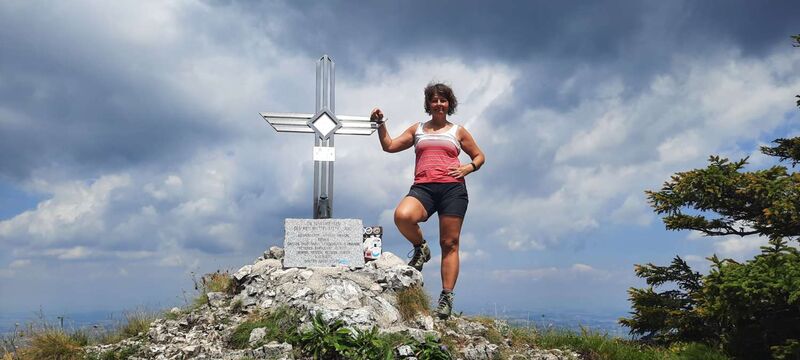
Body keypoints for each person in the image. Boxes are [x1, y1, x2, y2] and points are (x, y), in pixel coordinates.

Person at [371, 83, 485, 319]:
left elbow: (479, 155)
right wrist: (380, 124)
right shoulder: (418, 129)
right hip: (423, 187)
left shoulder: (458, 131)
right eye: (434, 100)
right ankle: (421, 247)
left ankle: (446, 297)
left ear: (449, 104)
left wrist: (468, 168)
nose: (439, 104)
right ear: (428, 104)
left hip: (453, 189)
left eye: (443, 100)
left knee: (449, 243)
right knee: (403, 216)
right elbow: (389, 146)